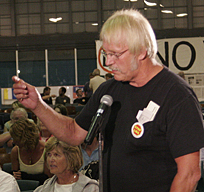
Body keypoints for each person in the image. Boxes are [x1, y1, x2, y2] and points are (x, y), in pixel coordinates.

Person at [12, 8, 204, 192]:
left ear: (142, 51)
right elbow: (74, 132)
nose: (108, 62)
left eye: (115, 54)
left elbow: (189, 173)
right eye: (106, 54)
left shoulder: (177, 96)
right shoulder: (109, 90)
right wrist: (38, 105)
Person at [33, 136, 99, 192]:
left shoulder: (91, 188)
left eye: (56, 155)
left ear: (70, 158)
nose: (51, 159)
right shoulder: (42, 189)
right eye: (49, 155)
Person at [10, 119, 51, 185]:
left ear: (25, 139)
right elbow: (16, 177)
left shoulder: (46, 150)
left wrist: (25, 176)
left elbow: (48, 179)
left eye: (16, 139)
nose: (14, 142)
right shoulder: (15, 151)